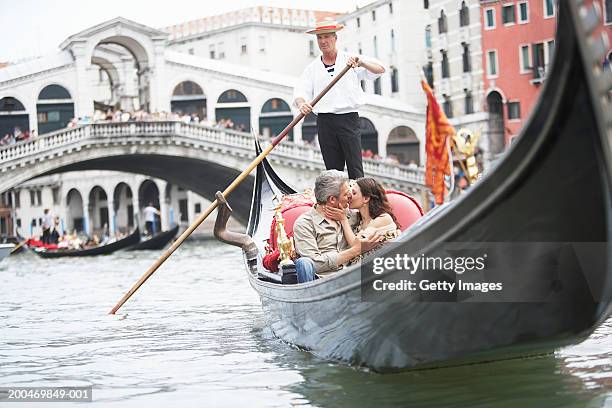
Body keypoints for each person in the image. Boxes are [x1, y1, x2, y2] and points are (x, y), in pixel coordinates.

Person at [293, 19, 386, 180]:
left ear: (335, 38)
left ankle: (359, 201)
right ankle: (337, 203)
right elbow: (301, 90)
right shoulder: (312, 68)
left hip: (348, 118)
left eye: (327, 37)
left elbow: (380, 69)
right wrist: (302, 104)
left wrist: (361, 62)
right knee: (333, 172)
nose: (323, 41)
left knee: (355, 168)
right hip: (325, 121)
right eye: (320, 38)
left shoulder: (351, 60)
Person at [292, 170, 383, 283]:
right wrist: (355, 250)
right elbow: (315, 263)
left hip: (356, 278)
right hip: (322, 283)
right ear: (332, 199)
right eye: (345, 194)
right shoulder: (305, 224)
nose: (349, 196)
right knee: (304, 263)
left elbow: (377, 212)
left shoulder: (354, 216)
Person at [323, 177, 400, 263]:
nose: (349, 196)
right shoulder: (358, 218)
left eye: (354, 193)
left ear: (366, 198)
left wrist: (343, 219)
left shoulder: (383, 218)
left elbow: (355, 246)